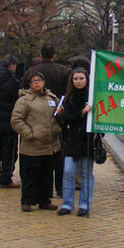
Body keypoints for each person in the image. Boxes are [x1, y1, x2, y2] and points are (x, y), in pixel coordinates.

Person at [11, 70, 61, 212]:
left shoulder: (52, 98)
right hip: (32, 146)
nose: (37, 82)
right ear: (30, 84)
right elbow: (16, 120)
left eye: (39, 80)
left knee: (46, 175)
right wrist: (30, 133)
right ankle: (27, 201)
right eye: (34, 80)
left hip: (50, 145)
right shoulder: (24, 101)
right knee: (30, 175)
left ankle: (44, 200)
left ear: (44, 82)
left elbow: (58, 116)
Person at [26, 44, 70, 197]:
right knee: (58, 155)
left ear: (40, 54)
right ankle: (59, 188)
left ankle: (40, 188)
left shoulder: (31, 72)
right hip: (58, 117)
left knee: (37, 157)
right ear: (54, 55)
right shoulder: (64, 71)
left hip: (35, 119)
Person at [56, 67, 95, 216]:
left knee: (86, 174)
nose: (78, 82)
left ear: (87, 79)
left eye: (81, 78)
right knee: (68, 172)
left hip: (87, 139)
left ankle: (84, 205)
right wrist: (82, 113)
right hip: (72, 139)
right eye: (76, 79)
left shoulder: (92, 97)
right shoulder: (68, 97)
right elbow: (67, 117)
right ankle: (67, 203)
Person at [0, 55, 21, 188]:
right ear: (12, 65)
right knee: (10, 151)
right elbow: (15, 98)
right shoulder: (11, 81)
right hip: (8, 121)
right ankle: (6, 178)